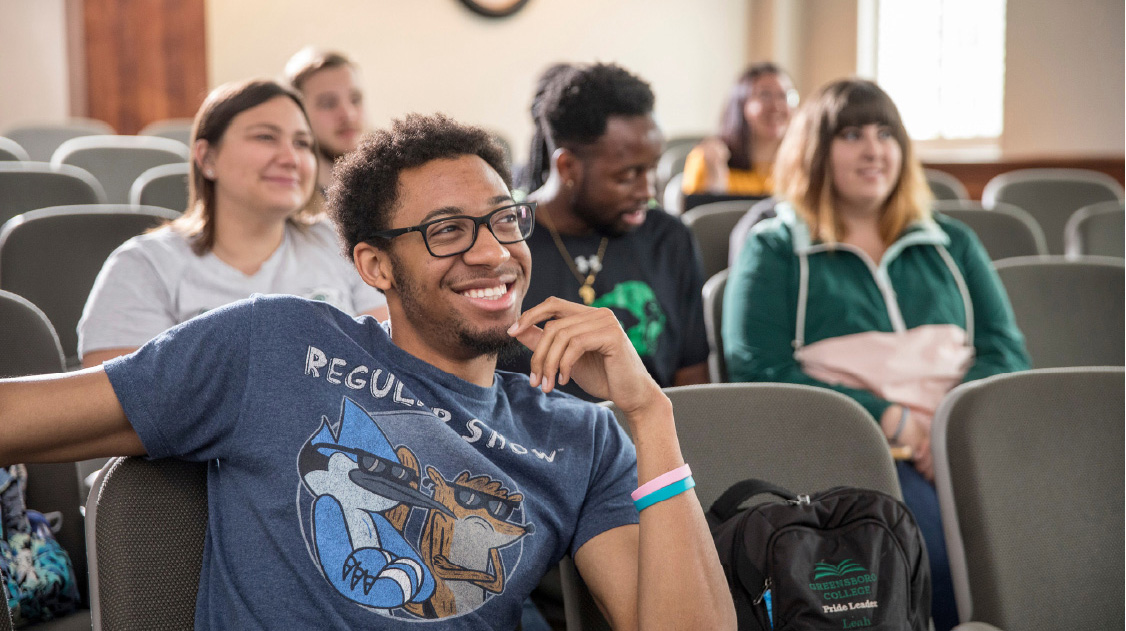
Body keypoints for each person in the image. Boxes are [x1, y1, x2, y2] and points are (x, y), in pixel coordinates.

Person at [1, 114, 736, 630]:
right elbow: (27, 418)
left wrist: (650, 414)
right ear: (375, 265)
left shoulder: (581, 436)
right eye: (447, 230)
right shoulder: (276, 344)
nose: (492, 252)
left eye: (505, 219)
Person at [723, 78, 1030, 631]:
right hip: (863, 450)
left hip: (965, 439)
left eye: (886, 133)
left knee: (1041, 546)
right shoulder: (774, 249)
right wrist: (891, 417)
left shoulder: (953, 242)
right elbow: (758, 369)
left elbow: (1004, 348)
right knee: (933, 559)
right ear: (816, 152)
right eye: (852, 134)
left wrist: (950, 424)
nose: (874, 149)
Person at [77, 80, 387, 368]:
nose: (291, 158)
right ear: (207, 158)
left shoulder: (342, 244)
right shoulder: (144, 265)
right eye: (266, 137)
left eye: (303, 143)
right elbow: (114, 409)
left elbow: (390, 374)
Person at [503, 62, 709, 400]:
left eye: (652, 170)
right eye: (627, 175)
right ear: (567, 166)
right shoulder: (505, 243)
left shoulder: (669, 240)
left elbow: (694, 392)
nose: (647, 191)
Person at [681, 62, 796, 196]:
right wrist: (716, 176)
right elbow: (702, 214)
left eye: (784, 96)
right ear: (741, 104)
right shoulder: (708, 159)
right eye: (765, 95)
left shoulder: (800, 166)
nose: (777, 106)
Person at [285, 47, 366, 195]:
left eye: (355, 99)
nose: (349, 115)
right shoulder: (288, 203)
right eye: (328, 104)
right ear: (298, 113)